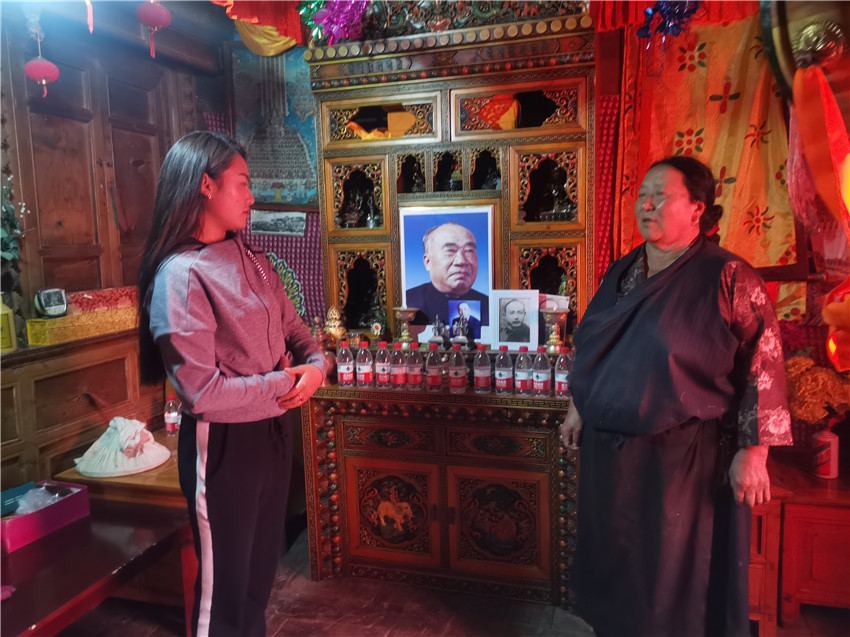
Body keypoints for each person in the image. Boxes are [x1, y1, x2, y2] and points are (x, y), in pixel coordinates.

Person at [559, 156, 792, 637]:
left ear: (697, 208)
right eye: (642, 194)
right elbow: (592, 343)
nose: (646, 205)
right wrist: (577, 406)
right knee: (612, 563)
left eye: (660, 195)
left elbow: (763, 361)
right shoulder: (622, 270)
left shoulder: (729, 276)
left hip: (680, 456)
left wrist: (753, 452)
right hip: (608, 454)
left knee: (666, 575)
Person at [137, 131, 326, 637]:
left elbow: (295, 329)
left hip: (273, 432)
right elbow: (202, 394)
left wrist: (316, 366)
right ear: (206, 185)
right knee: (223, 590)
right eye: (241, 183)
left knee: (257, 581)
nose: (251, 196)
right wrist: (283, 381)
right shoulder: (182, 275)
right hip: (223, 443)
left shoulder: (253, 260)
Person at [406, 221, 489, 326]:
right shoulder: (407, 302)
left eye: (469, 251)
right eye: (450, 250)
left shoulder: (489, 305)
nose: (461, 261)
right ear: (428, 262)